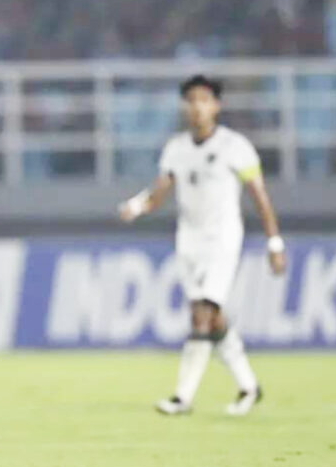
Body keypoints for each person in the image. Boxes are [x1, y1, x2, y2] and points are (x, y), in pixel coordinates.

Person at [119, 75, 286, 416]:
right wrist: (136, 206)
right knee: (213, 319)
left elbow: (260, 197)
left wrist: (274, 243)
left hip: (222, 239)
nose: (197, 107)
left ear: (216, 106)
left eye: (204, 99)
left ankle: (182, 397)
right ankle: (249, 386)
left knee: (201, 315)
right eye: (191, 100)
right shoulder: (176, 149)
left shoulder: (235, 146)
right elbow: (159, 193)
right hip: (189, 241)